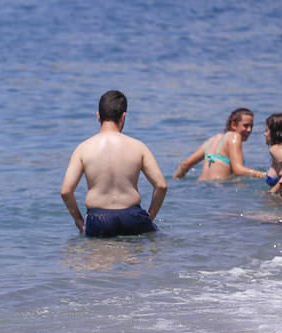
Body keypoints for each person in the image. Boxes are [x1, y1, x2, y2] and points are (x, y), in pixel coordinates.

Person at [60, 90, 167, 238]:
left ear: (98, 116)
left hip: (99, 220)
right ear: (123, 117)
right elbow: (161, 185)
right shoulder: (138, 146)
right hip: (133, 217)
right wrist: (150, 216)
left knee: (99, 256)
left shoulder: (83, 149)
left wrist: (78, 220)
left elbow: (66, 191)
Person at [173, 108, 264, 180]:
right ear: (233, 125)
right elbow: (238, 170)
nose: (249, 130)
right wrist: (264, 175)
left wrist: (175, 180)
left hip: (202, 186)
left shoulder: (211, 141)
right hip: (219, 190)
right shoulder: (235, 137)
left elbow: (185, 165)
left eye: (251, 126)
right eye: (246, 125)